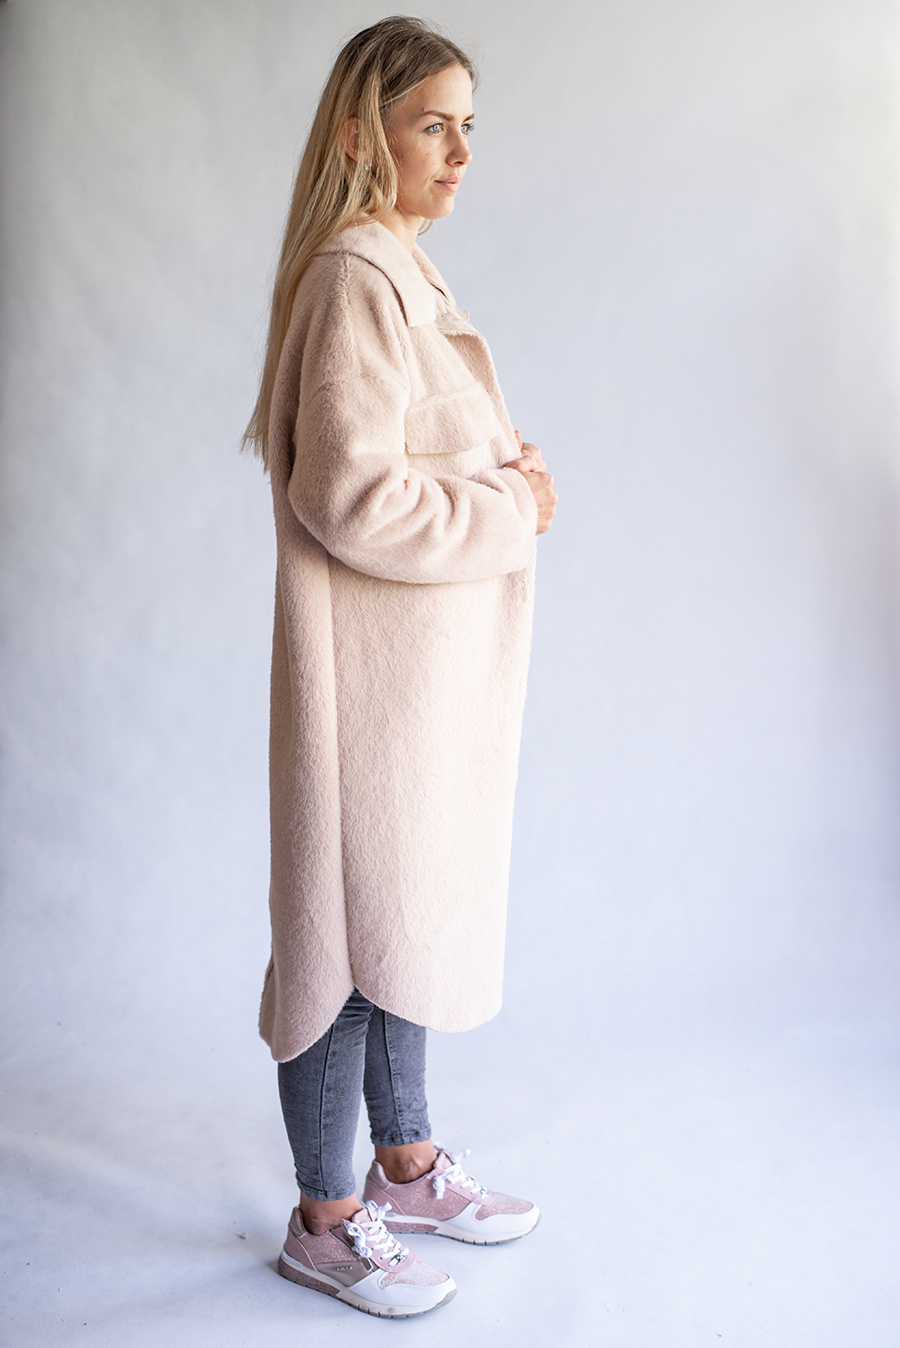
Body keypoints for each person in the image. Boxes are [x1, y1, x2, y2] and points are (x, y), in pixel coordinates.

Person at [243, 15, 558, 1319]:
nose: (462, 152)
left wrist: (498, 476)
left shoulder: (405, 276)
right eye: (436, 123)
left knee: (403, 922)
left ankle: (407, 1166)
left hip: (417, 692)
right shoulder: (355, 280)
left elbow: (415, 464)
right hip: (365, 693)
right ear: (362, 132)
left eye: (468, 126)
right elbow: (352, 497)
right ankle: (326, 1221)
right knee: (343, 946)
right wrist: (510, 505)